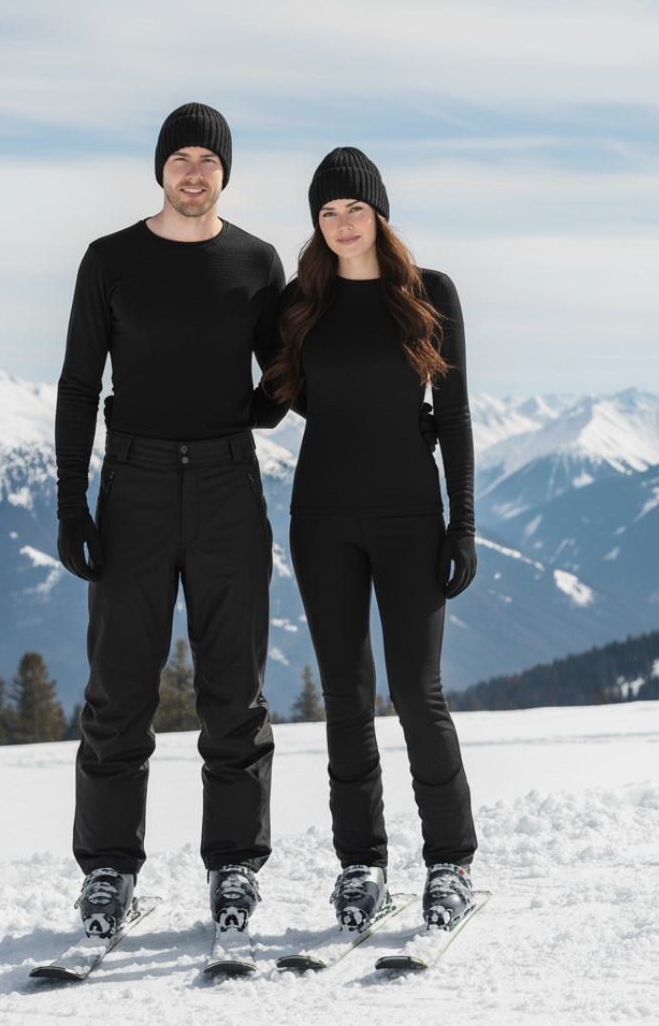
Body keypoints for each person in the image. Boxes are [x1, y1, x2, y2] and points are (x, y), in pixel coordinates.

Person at [54, 103, 286, 941]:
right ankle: (109, 871)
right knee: (118, 690)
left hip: (228, 487)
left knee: (236, 692)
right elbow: (80, 384)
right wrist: (70, 501)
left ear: (225, 172)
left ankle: (233, 869)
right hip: (134, 485)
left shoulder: (257, 263)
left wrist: (255, 410)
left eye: (208, 160)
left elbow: (287, 370)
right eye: (181, 157)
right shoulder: (110, 260)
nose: (194, 172)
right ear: (161, 168)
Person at [262, 147, 478, 934]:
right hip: (320, 517)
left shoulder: (429, 295)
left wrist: (463, 523)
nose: (343, 223)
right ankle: (361, 866)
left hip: (409, 514)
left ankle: (449, 861)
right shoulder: (299, 304)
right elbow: (269, 400)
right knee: (347, 699)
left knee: (418, 693)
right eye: (328, 212)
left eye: (355, 208)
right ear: (316, 224)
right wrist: (160, 401)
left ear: (380, 213)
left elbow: (452, 417)